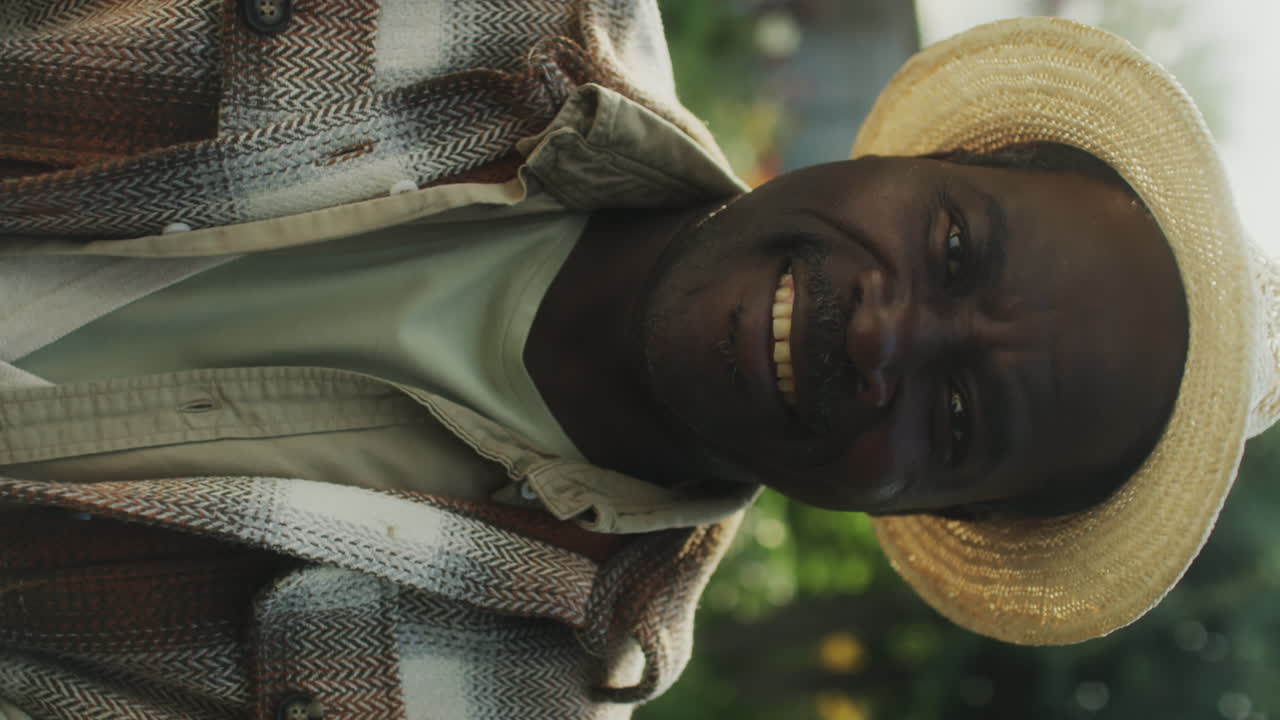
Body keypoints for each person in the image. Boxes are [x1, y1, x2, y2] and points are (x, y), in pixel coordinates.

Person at [0, 3, 1270, 719]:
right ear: (936, 155)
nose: (889, 331)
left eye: (954, 415)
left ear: (928, 514)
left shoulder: (513, 693)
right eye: (950, 245)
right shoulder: (477, 18)